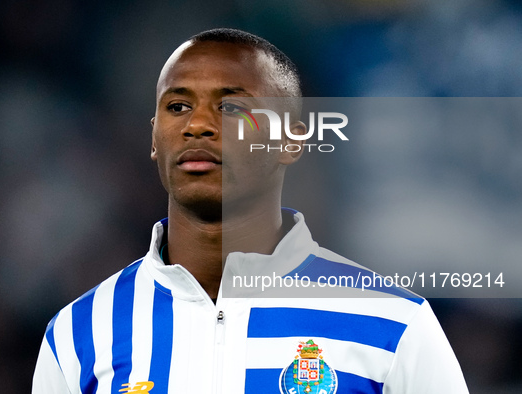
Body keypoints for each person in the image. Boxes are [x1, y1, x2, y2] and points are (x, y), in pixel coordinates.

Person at [32, 28, 469, 394]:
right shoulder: (78, 333)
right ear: (154, 138)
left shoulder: (394, 325)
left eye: (232, 107)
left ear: (291, 142)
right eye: (178, 106)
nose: (198, 123)